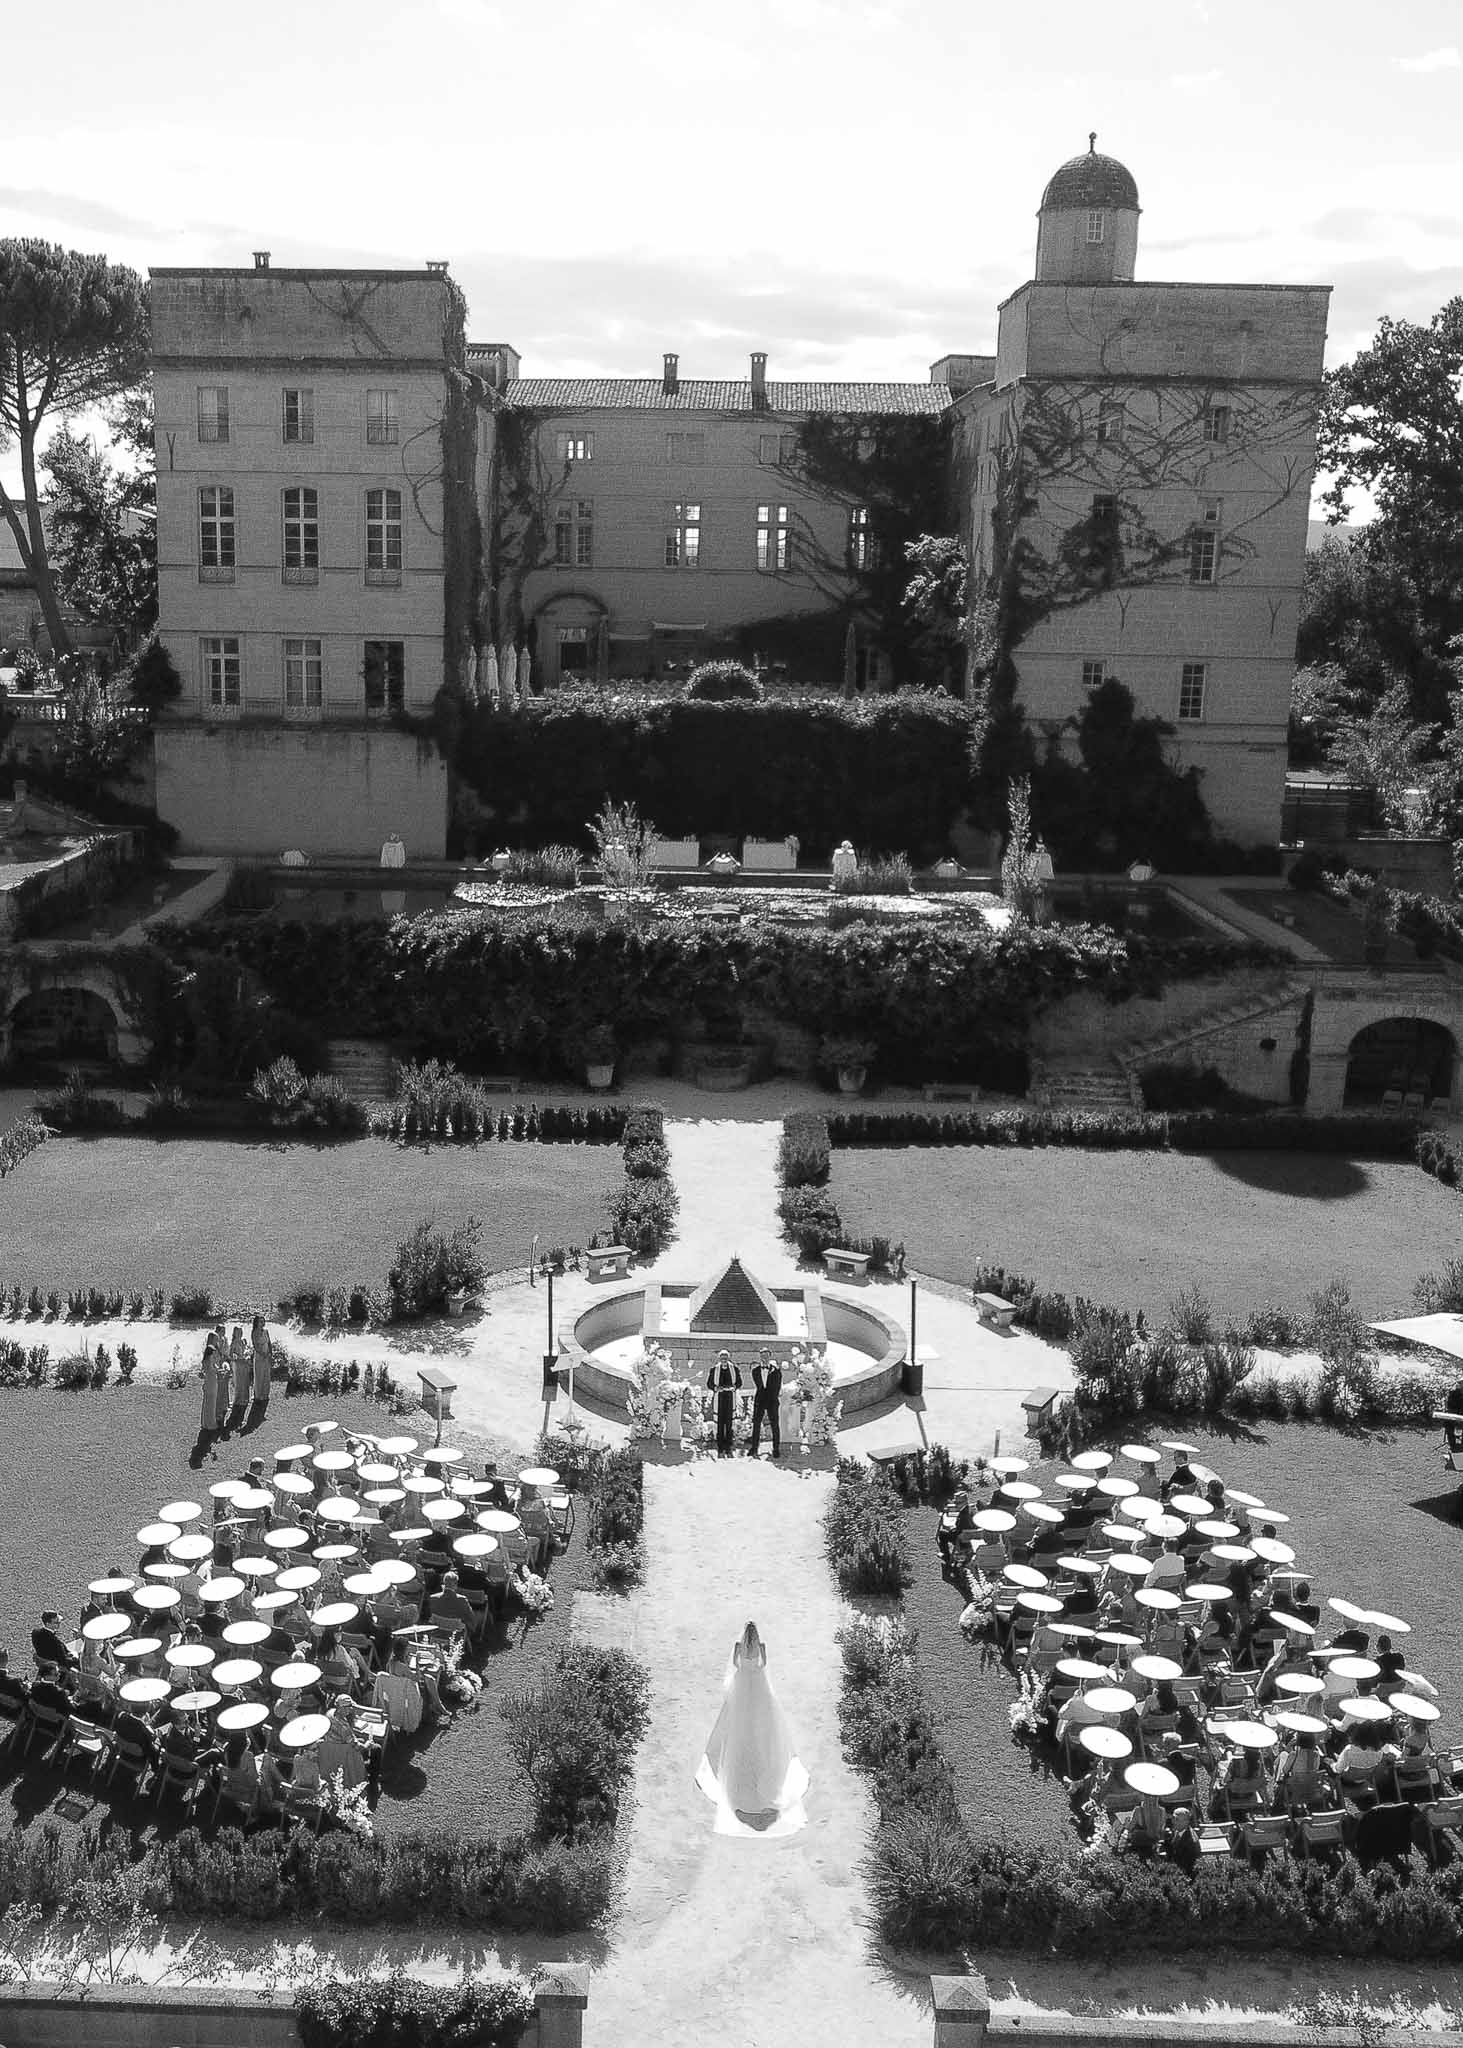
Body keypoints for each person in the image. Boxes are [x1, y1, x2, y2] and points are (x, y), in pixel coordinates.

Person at [696, 1621, 807, 1820]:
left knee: (736, 1716)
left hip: (742, 1680)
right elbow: (763, 1664)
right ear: (756, 1635)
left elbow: (734, 1664)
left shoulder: (738, 1646)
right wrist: (754, 1669)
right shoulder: (761, 1646)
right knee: (761, 1714)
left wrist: (744, 1670)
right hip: (757, 1680)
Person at [749, 1349, 782, 1460]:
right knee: (756, 1424)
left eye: (767, 1355)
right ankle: (754, 1448)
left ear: (770, 1356)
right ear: (760, 1357)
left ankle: (776, 1448)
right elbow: (759, 1386)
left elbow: (777, 1387)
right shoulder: (755, 1371)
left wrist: (772, 1398)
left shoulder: (776, 1371)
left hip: (772, 1401)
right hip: (760, 1400)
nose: (765, 1357)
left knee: (775, 1425)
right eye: (762, 1356)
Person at [707, 1351, 741, 1459]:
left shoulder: (734, 1369)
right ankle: (720, 1448)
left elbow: (739, 1383)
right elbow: (709, 1384)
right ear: (719, 1358)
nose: (724, 1359)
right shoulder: (714, 1370)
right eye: (722, 1357)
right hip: (719, 1400)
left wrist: (734, 1387)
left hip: (730, 1399)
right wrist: (716, 1388)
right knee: (720, 1424)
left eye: (726, 1357)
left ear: (729, 1358)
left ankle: (729, 1447)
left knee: (729, 1424)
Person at [937, 1491, 977, 1576]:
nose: (956, 1504)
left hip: (963, 1540)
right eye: (955, 1502)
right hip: (972, 1537)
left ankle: (946, 1556)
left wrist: (951, 1529)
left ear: (965, 1502)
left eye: (958, 1502)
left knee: (942, 1534)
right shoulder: (971, 1509)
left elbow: (959, 1531)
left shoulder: (964, 1516)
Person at [200, 1334, 227, 1435]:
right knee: (210, 1403)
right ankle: (210, 1424)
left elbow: (215, 1369)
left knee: (210, 1403)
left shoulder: (209, 1360)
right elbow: (212, 1371)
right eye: (213, 1353)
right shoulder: (207, 1362)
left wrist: (221, 1370)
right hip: (210, 1383)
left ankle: (206, 1423)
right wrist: (219, 1371)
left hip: (212, 1382)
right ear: (210, 1353)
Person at [1165, 1806, 1201, 1875]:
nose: (1175, 1822)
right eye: (1175, 1819)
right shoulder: (1177, 1830)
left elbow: (1186, 1863)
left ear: (1187, 1821)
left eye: (1180, 1820)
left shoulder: (1190, 1841)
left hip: (1184, 1873)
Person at [250, 1315, 272, 1409]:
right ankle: (258, 1397)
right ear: (257, 1323)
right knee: (259, 1376)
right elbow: (255, 1345)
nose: (262, 1323)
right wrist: (262, 1354)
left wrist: (270, 1353)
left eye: (263, 1321)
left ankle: (265, 1395)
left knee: (266, 1375)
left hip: (267, 1356)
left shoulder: (266, 1331)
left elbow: (269, 1343)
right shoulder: (254, 1332)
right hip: (259, 1356)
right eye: (260, 1321)